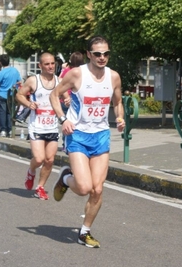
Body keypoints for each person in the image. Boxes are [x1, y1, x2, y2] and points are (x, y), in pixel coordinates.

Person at [49, 36, 125, 248]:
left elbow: (118, 102)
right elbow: (54, 95)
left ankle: (84, 232)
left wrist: (120, 118)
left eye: (106, 54)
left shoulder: (114, 77)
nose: (102, 58)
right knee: (84, 188)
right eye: (98, 54)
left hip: (100, 135)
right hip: (78, 134)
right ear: (89, 54)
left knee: (97, 189)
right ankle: (65, 178)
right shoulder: (76, 74)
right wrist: (63, 119)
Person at [16, 52, 61, 200]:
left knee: (50, 160)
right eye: (47, 64)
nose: (50, 66)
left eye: (52, 63)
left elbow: (66, 96)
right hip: (37, 126)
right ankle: (31, 171)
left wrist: (66, 101)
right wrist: (29, 103)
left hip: (53, 126)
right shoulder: (33, 81)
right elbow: (19, 95)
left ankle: (40, 187)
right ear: (40, 65)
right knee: (40, 158)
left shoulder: (59, 81)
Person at [59, 51, 85, 151]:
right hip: (76, 101)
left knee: (67, 122)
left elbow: (59, 81)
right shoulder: (82, 72)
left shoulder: (67, 71)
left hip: (66, 100)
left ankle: (65, 144)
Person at [0, 54, 22, 137]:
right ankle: (10, 129)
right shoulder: (15, 71)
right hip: (12, 95)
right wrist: (14, 84)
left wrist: (0, 84)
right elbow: (20, 81)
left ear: (1, 62)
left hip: (2, 94)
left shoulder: (1, 73)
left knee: (2, 113)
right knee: (10, 112)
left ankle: (3, 130)